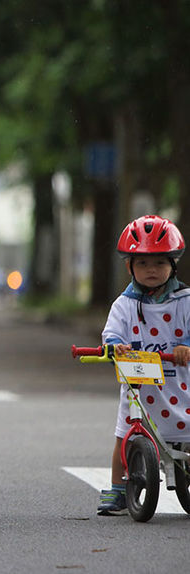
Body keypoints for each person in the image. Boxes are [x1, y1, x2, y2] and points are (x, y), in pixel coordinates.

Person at [97, 215, 190, 515]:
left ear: (173, 265)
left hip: (178, 384)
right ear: (130, 266)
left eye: (160, 263)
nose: (152, 270)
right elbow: (111, 332)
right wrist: (113, 345)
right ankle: (118, 489)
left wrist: (185, 345)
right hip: (139, 387)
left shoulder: (184, 301)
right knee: (124, 435)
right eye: (143, 264)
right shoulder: (124, 305)